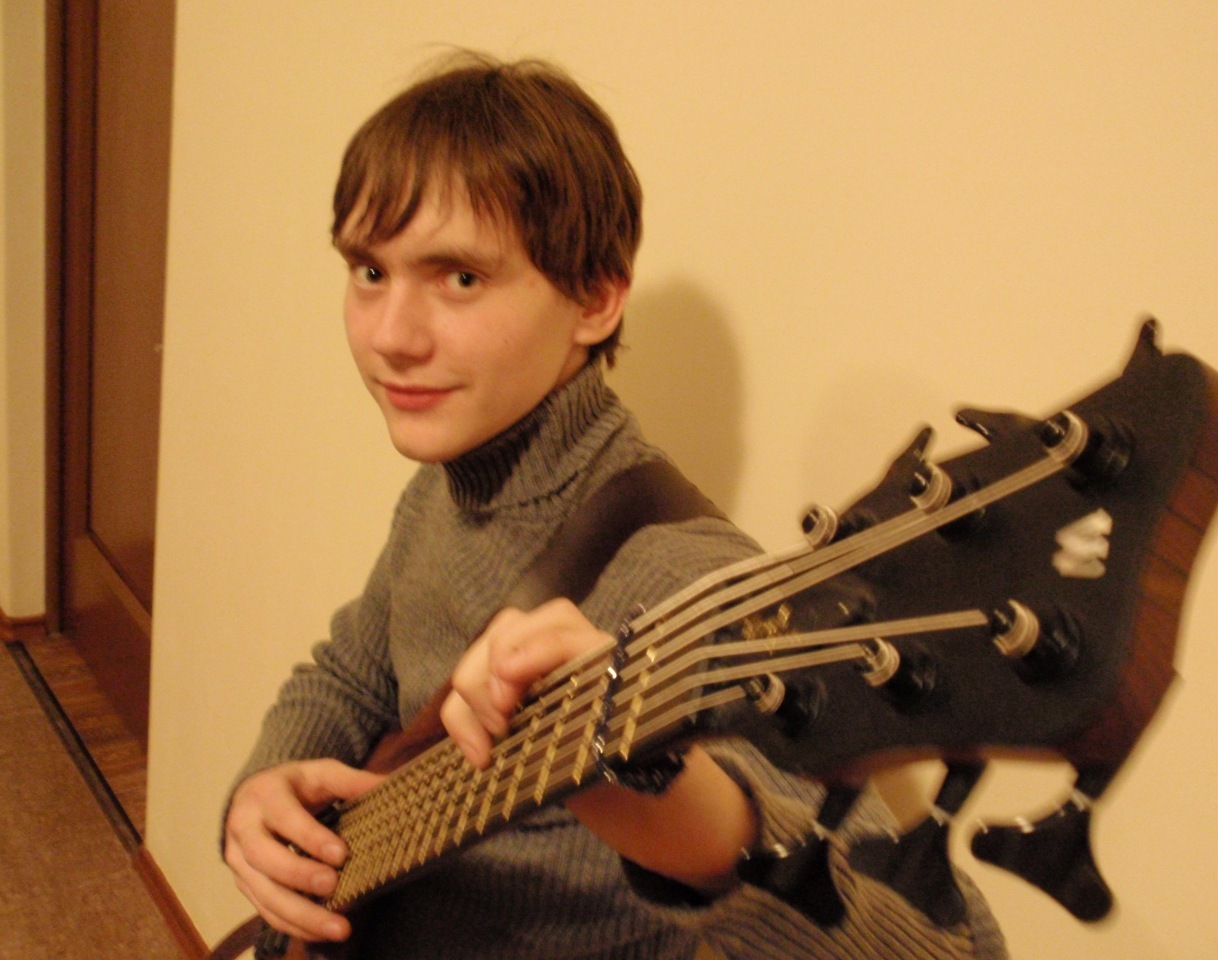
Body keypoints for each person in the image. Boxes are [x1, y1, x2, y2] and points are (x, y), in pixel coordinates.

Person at [221, 52, 1007, 960]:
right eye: (369, 272)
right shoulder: (445, 484)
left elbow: (951, 948)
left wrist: (710, 831)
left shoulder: (682, 579)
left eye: (459, 278)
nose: (391, 336)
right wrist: (264, 790)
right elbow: (353, 675)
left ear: (594, 298)